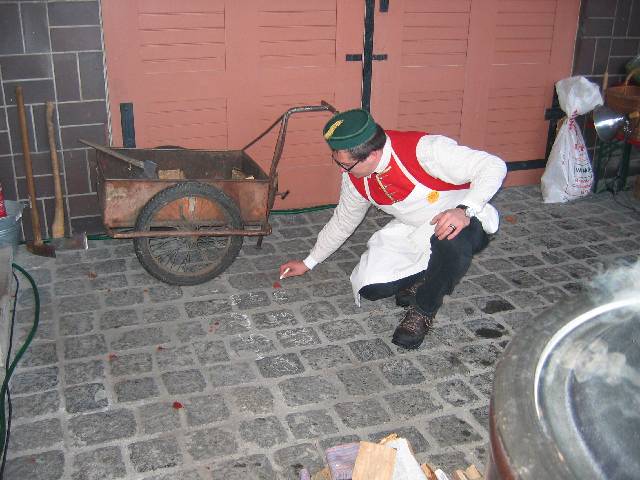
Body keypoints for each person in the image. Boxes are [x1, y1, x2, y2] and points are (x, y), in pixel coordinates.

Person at [279, 108, 507, 349]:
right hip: (414, 229)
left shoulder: (424, 149)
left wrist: (464, 209)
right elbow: (343, 221)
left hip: (464, 219)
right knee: (372, 288)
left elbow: (493, 165)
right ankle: (428, 275)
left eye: (345, 164)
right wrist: (309, 262)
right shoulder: (355, 177)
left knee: (452, 241)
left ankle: (424, 309)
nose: (342, 170)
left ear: (372, 155)